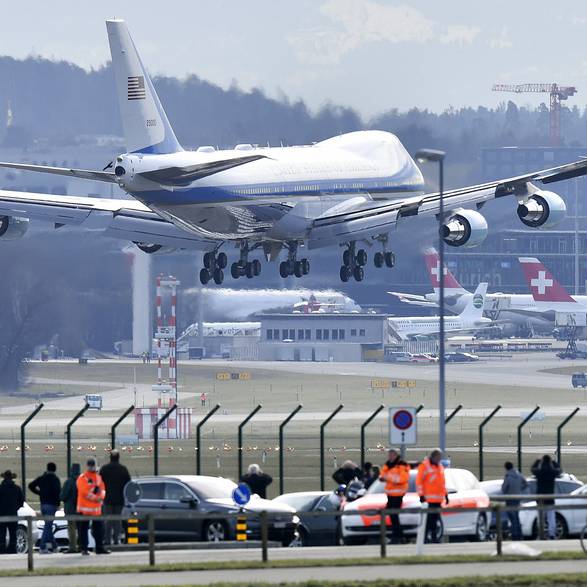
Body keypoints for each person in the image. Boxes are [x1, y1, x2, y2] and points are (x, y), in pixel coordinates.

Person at [76, 458, 109, 555]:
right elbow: (84, 492)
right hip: (85, 509)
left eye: (93, 465)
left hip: (96, 509)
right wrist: (96, 497)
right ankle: (84, 549)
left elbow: (103, 489)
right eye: (90, 465)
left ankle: (99, 547)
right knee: (83, 530)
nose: (92, 467)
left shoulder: (98, 477)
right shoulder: (82, 478)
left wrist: (101, 497)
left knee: (99, 529)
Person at [100, 450, 131, 545]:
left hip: (108, 499)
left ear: (110, 457)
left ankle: (108, 540)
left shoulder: (104, 469)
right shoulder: (123, 469)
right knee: (117, 521)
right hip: (119, 499)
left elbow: (99, 482)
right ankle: (117, 540)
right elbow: (128, 484)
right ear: (118, 457)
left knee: (108, 521)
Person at [416, 449, 448, 543]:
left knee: (435, 519)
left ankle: (433, 538)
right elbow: (419, 482)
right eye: (438, 457)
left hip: (438, 500)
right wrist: (421, 495)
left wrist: (445, 495)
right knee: (429, 520)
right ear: (434, 456)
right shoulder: (425, 466)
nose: (439, 459)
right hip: (428, 499)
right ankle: (426, 538)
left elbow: (442, 483)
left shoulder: (440, 467)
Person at [379, 449, 410, 544]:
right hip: (390, 494)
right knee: (392, 515)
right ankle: (399, 536)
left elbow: (402, 478)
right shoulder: (388, 464)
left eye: (392, 455)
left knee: (394, 515)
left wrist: (388, 477)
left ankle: (397, 536)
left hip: (398, 494)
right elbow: (382, 475)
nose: (390, 457)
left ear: (396, 455)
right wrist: (384, 477)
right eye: (389, 455)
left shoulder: (402, 464)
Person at [29, 462, 61, 553]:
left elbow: (31, 485)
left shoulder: (42, 478)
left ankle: (54, 546)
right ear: (55, 469)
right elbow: (57, 492)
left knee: (48, 525)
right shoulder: (55, 479)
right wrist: (58, 503)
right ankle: (42, 547)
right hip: (52, 505)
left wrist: (40, 493)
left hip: (43, 504)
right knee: (48, 526)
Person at [531, 454, 562, 539]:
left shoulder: (539, 472)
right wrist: (554, 462)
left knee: (540, 517)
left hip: (540, 497)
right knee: (551, 517)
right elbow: (559, 470)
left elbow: (532, 469)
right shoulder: (552, 472)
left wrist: (537, 461)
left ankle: (540, 534)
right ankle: (552, 534)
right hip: (550, 497)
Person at [501, 461, 528, 541]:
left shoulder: (508, 476)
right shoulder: (519, 475)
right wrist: (520, 489)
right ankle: (519, 534)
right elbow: (525, 484)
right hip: (518, 498)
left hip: (510, 499)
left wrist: (507, 493)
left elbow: (504, 488)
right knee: (516, 517)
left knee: (512, 518)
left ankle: (514, 535)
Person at [0, 470, 24, 554]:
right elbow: (21, 501)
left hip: (1, 515)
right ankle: (12, 549)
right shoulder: (17, 488)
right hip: (13, 514)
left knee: (1, 533)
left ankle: (2, 549)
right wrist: (15, 508)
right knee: (13, 533)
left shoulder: (0, 488)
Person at [60, 463, 81, 553]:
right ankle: (81, 546)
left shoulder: (69, 482)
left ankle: (72, 547)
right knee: (80, 529)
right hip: (81, 509)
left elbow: (63, 496)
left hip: (70, 509)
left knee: (71, 529)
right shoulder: (82, 481)